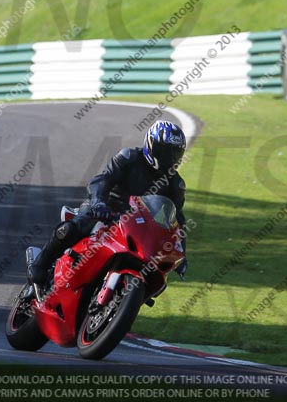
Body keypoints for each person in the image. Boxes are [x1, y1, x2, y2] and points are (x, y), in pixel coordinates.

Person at [28, 120, 188, 288]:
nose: (169, 158)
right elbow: (102, 180)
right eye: (164, 151)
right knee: (71, 229)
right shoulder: (129, 157)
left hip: (137, 224)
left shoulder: (175, 184)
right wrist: (98, 203)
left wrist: (181, 254)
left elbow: (177, 219)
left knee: (157, 277)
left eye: (174, 154)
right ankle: (40, 264)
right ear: (151, 144)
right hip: (106, 208)